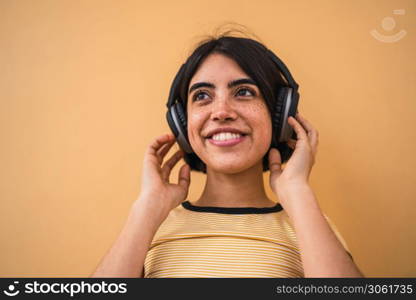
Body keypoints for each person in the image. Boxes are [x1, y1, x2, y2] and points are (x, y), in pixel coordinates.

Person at [91, 32, 364, 278]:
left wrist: (297, 192)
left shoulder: (308, 224)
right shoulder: (149, 229)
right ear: (182, 124)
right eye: (202, 96)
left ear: (279, 116)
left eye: (244, 92)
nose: (221, 111)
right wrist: (147, 208)